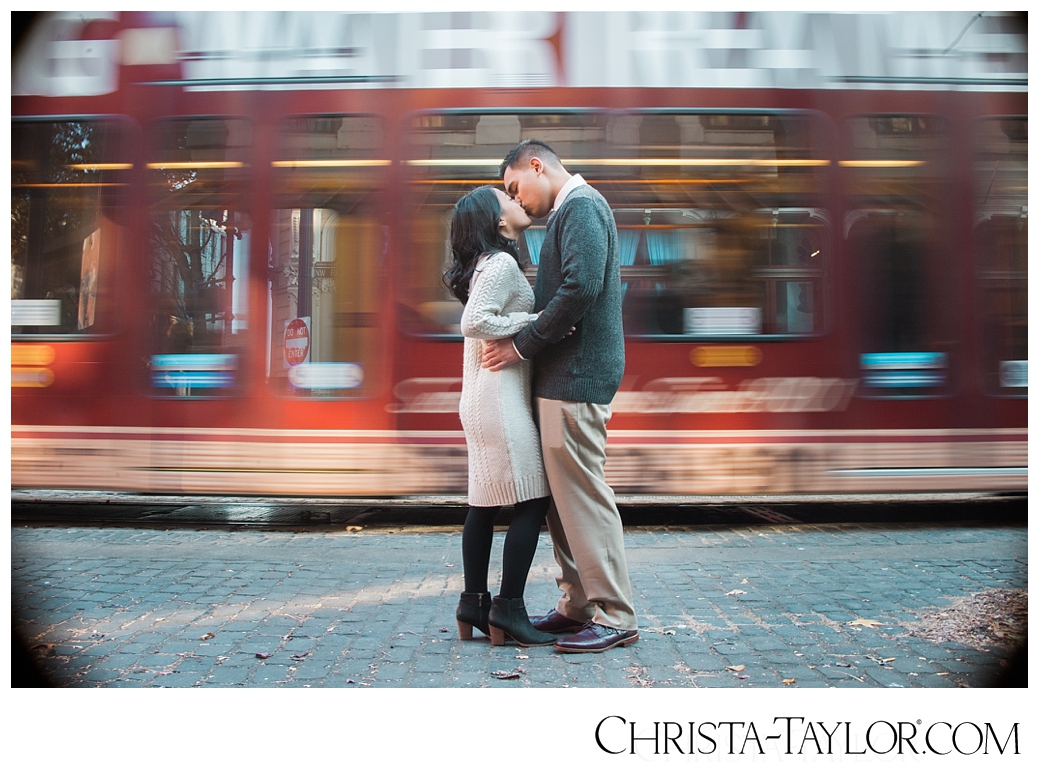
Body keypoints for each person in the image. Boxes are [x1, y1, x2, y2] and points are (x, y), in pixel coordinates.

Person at [481, 140, 639, 653]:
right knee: (564, 501)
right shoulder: (571, 211)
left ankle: (615, 616)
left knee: (584, 496)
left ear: (537, 166)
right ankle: (577, 606)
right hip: (564, 377)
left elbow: (581, 287)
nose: (517, 200)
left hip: (577, 377)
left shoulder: (582, 206)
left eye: (513, 188)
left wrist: (521, 344)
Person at [444, 185, 555, 648]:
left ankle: (474, 601)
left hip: (479, 398)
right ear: (497, 222)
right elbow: (474, 322)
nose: (518, 202)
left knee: (484, 505)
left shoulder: (484, 266)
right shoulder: (502, 263)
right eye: (507, 200)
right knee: (532, 501)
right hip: (498, 399)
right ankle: (508, 609)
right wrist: (534, 322)